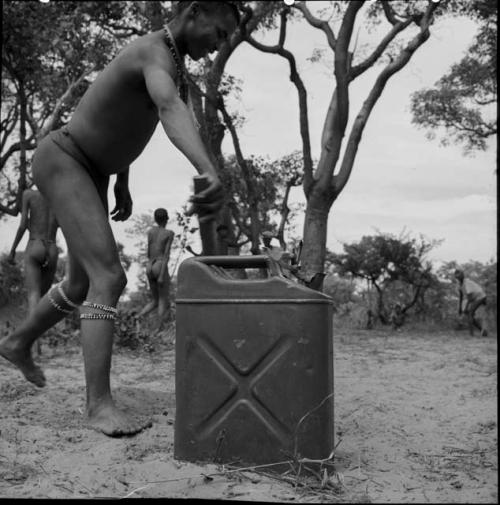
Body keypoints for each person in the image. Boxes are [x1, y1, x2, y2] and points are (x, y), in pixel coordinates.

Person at [0, 1, 240, 437]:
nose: (219, 44)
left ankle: (16, 342)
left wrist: (120, 180)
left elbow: (125, 119)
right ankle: (98, 406)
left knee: (79, 284)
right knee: (108, 278)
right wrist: (208, 169)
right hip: (66, 159)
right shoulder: (154, 51)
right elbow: (167, 108)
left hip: (90, 171)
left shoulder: (169, 59)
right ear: (194, 12)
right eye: (219, 33)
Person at [8, 188, 60, 355]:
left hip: (35, 244)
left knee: (33, 296)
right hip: (52, 247)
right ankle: (37, 346)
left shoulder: (29, 194)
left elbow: (23, 225)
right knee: (41, 298)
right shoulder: (58, 193)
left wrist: (13, 250)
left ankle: (32, 349)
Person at [139, 208, 174, 327]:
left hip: (149, 266)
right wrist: (161, 275)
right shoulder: (169, 233)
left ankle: (136, 319)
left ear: (155, 219)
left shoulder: (150, 232)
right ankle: (158, 330)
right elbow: (166, 255)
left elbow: (149, 252)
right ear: (167, 218)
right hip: (159, 265)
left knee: (155, 301)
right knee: (163, 300)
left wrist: (151, 266)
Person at [454, 269, 488, 337]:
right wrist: (460, 309)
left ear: (463, 276)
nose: (458, 278)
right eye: (457, 277)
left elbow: (469, 298)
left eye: (460, 276)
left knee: (470, 313)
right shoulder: (459, 284)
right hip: (474, 298)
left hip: (480, 296)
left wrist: (465, 308)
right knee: (468, 314)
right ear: (456, 278)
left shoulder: (467, 283)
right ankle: (483, 331)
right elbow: (461, 296)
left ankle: (471, 335)